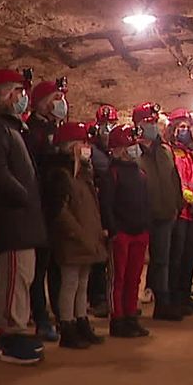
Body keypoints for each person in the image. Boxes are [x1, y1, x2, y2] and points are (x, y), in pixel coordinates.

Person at [0, 68, 48, 365]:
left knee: (23, 275)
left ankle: (16, 327)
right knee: (15, 274)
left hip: (21, 215)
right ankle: (9, 334)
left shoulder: (11, 127)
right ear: (3, 94)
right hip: (11, 215)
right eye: (17, 91)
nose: (22, 97)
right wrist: (22, 194)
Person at [43, 121, 107, 349]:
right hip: (72, 240)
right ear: (71, 146)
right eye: (82, 143)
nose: (86, 147)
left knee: (82, 284)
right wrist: (79, 234)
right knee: (70, 284)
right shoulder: (61, 175)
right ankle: (67, 325)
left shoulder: (82, 174)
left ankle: (81, 322)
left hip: (86, 239)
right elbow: (61, 211)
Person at [23, 79, 69, 343]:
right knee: (41, 266)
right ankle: (41, 318)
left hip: (56, 203)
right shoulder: (33, 131)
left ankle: (63, 316)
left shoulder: (54, 128)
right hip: (41, 204)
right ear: (41, 102)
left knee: (58, 264)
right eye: (54, 98)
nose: (59, 103)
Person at [133, 102, 184, 322]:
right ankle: (128, 305)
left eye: (155, 122)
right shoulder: (133, 152)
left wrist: (176, 204)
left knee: (162, 260)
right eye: (148, 122)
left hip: (164, 214)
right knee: (134, 263)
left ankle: (162, 303)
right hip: (142, 215)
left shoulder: (164, 151)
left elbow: (173, 179)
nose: (152, 126)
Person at [99, 125, 150, 338]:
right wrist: (113, 230)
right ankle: (117, 319)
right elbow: (106, 204)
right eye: (130, 145)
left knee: (134, 278)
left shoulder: (139, 172)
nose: (135, 148)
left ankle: (131, 315)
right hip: (122, 233)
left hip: (139, 232)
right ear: (118, 148)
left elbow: (146, 201)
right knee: (117, 279)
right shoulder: (112, 173)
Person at [166, 108, 193, 314]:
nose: (184, 130)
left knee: (190, 255)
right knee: (177, 256)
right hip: (180, 212)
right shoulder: (170, 153)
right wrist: (190, 199)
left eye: (186, 127)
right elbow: (176, 181)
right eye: (180, 127)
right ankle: (173, 297)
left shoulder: (192, 154)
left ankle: (185, 294)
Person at [86, 104, 118, 317]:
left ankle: (107, 297)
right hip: (96, 209)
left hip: (112, 208)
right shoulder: (93, 152)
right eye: (104, 125)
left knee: (109, 258)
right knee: (97, 259)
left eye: (111, 124)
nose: (107, 129)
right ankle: (96, 299)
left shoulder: (112, 151)